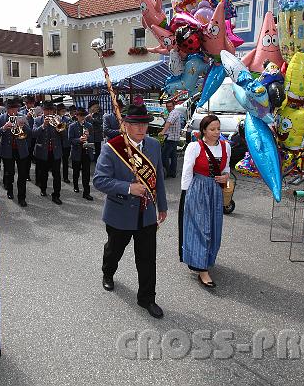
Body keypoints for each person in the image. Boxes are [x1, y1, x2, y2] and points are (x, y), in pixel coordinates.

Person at [93, 104, 168, 319]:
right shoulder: (112, 147)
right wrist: (128, 188)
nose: (141, 128)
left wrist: (161, 206)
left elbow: (158, 179)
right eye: (135, 124)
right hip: (120, 213)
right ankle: (108, 273)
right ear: (124, 125)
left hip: (146, 214)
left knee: (147, 258)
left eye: (144, 123)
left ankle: (147, 298)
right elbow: (99, 180)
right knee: (114, 250)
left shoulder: (153, 145)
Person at [179, 114, 231, 288]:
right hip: (198, 189)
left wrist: (226, 179)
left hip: (215, 191)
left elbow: (226, 170)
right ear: (203, 130)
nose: (216, 132)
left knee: (214, 227)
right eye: (212, 129)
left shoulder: (226, 147)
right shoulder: (195, 147)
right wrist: (185, 196)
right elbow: (187, 172)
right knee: (201, 229)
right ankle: (202, 270)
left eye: (218, 128)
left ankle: (207, 259)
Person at [0, 99, 31, 207]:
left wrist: (23, 125)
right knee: (9, 173)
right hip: (7, 150)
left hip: (21, 150)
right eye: (11, 109)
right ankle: (10, 190)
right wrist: (4, 127)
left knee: (22, 175)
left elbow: (30, 133)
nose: (13, 111)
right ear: (7, 109)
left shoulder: (22, 116)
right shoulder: (1, 118)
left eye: (15, 108)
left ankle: (22, 198)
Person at [32, 102, 63, 205]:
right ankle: (43, 188)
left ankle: (56, 195)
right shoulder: (37, 120)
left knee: (57, 175)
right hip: (43, 152)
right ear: (43, 110)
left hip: (55, 152)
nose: (49, 112)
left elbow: (64, 134)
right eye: (47, 110)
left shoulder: (58, 119)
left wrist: (58, 126)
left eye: (51, 110)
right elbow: (33, 134)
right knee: (43, 173)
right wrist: (43, 125)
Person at [68, 108, 93, 201]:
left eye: (83, 115)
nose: (82, 117)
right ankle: (75, 185)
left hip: (86, 152)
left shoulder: (89, 125)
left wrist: (88, 136)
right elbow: (70, 139)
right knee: (76, 171)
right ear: (77, 116)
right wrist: (79, 140)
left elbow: (93, 138)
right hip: (76, 152)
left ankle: (86, 192)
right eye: (80, 115)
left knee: (86, 173)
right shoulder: (72, 126)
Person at [160, 99, 185, 178]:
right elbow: (169, 122)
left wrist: (163, 132)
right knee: (173, 156)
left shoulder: (173, 113)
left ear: (173, 106)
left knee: (164, 155)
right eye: (167, 106)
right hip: (174, 138)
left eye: (170, 106)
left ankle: (167, 172)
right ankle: (172, 172)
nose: (168, 108)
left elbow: (169, 122)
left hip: (171, 138)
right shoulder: (173, 113)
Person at [57, 104, 72, 183]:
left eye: (64, 111)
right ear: (58, 111)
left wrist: (66, 126)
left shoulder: (67, 119)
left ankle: (65, 177)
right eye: (62, 111)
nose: (64, 112)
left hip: (66, 142)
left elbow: (70, 129)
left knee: (65, 161)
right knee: (57, 161)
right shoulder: (55, 118)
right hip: (57, 142)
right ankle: (57, 176)